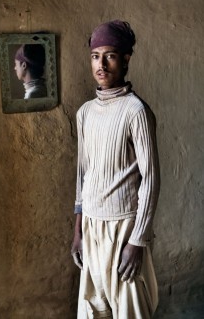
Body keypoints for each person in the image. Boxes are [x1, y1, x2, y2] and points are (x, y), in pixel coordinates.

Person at [71, 20, 160, 319]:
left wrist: (137, 241)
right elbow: (82, 174)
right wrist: (78, 230)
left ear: (125, 59)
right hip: (91, 226)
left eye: (110, 55)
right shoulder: (84, 113)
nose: (102, 64)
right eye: (96, 56)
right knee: (94, 310)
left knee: (130, 311)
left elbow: (151, 179)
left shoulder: (136, 111)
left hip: (124, 229)